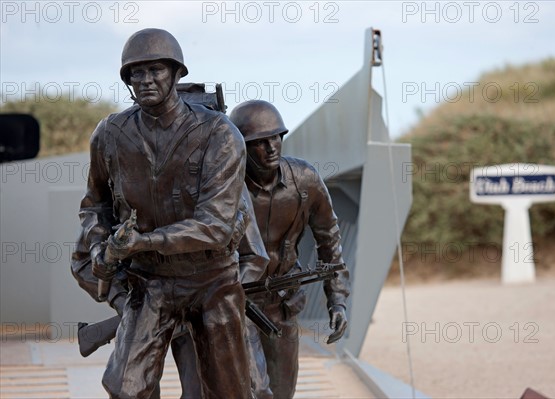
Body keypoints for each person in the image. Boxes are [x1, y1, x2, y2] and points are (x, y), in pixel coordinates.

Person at [76, 28, 251, 398]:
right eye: (134, 73)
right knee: (125, 387)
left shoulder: (219, 134)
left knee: (227, 390)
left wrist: (142, 242)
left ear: (176, 73)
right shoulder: (109, 134)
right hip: (149, 280)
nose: (144, 80)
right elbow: (94, 205)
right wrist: (101, 249)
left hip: (212, 280)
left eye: (155, 69)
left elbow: (217, 226)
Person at [229, 100, 351, 399]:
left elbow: (329, 240)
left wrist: (337, 300)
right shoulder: (226, 187)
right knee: (256, 391)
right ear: (242, 147)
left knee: (283, 391)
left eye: (276, 137)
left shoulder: (304, 180)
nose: (272, 147)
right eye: (260, 142)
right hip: (239, 303)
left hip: (284, 301)